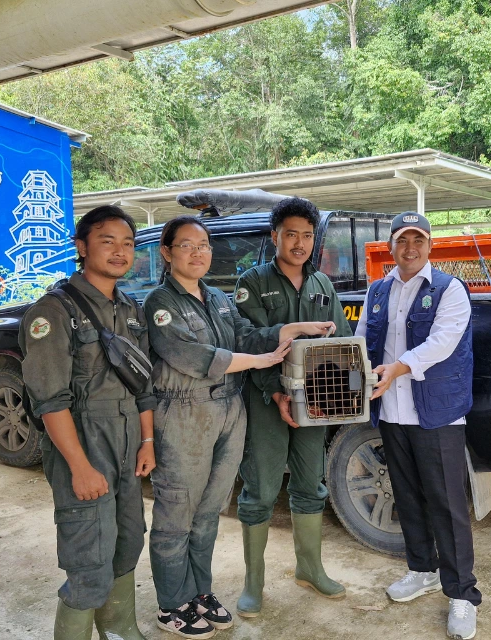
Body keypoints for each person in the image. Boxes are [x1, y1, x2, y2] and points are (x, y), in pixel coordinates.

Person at [143, 215, 336, 638]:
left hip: (228, 410)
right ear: (167, 252)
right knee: (178, 510)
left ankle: (200, 593)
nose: (199, 253)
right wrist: (261, 363)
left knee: (210, 509)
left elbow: (246, 335)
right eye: (188, 245)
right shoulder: (161, 302)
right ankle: (172, 604)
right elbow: (192, 356)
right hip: (185, 414)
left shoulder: (217, 298)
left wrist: (291, 329)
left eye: (205, 245)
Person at [20, 205, 156, 640]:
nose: (120, 251)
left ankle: (121, 629)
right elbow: (49, 400)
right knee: (88, 559)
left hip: (129, 441)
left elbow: (144, 386)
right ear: (81, 247)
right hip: (83, 442)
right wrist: (79, 466)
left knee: (127, 544)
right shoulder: (54, 312)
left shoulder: (131, 309)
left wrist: (148, 440)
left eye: (128, 243)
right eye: (107, 241)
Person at [354, 212, 480, 640]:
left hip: (437, 413)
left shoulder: (449, 290)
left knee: (446, 503)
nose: (410, 247)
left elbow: (442, 343)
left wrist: (399, 368)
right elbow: (361, 343)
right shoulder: (377, 291)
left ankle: (462, 595)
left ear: (430, 246)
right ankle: (422, 569)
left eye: (418, 240)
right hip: (391, 412)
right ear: (390, 246)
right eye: (402, 240)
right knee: (406, 496)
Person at [232, 196, 352, 617]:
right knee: (261, 489)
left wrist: (338, 395)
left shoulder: (323, 285)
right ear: (274, 236)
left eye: (306, 235)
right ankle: (253, 584)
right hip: (267, 400)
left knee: (310, 483)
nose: (299, 243)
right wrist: (276, 391)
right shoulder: (253, 281)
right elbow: (244, 339)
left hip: (315, 404)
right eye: (290, 235)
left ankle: (310, 568)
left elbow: (341, 344)